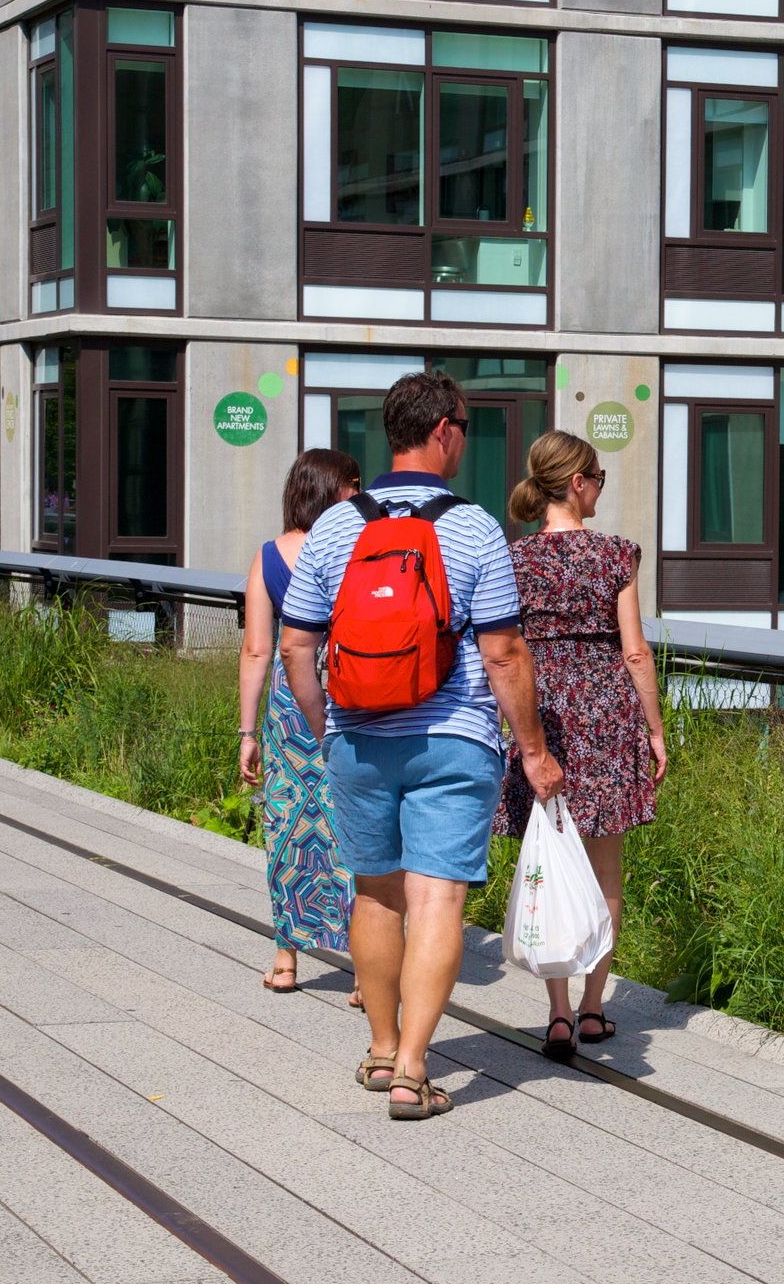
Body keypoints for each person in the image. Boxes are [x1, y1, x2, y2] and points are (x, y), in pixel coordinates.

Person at [278, 372, 562, 1121]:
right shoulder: (472, 527)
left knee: (375, 891)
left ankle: (378, 1048)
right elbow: (503, 653)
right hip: (455, 737)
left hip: (359, 737)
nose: (465, 437)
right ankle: (412, 1069)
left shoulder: (336, 526)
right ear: (443, 429)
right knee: (437, 896)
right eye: (464, 424)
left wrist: (323, 725)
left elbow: (295, 646)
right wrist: (532, 749)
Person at [495, 430, 666, 1060]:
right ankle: (595, 1007)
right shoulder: (617, 554)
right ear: (576, 483)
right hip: (605, 717)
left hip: (542, 718)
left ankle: (559, 1013)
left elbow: (502, 651)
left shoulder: (514, 561)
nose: (600, 488)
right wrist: (654, 728)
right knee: (604, 868)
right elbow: (636, 651)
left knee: (550, 857)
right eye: (598, 476)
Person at [238, 448, 362, 1002]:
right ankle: (368, 967)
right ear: (331, 491)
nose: (360, 497)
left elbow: (256, 650)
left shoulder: (268, 557)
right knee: (357, 826)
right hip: (350, 700)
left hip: (289, 710)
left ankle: (286, 959)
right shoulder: (352, 550)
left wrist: (246, 732)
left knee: (287, 824)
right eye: (352, 486)